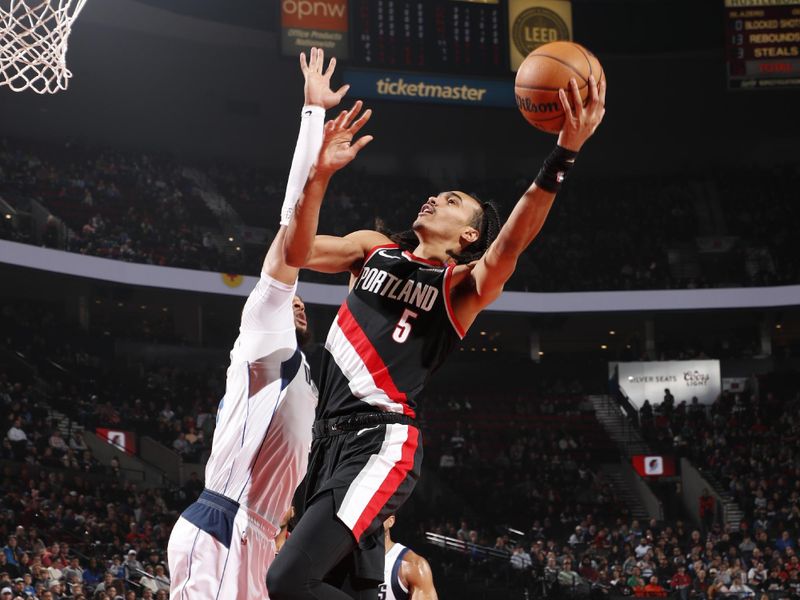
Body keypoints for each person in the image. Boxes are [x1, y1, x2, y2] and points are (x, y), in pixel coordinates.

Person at [268, 53, 606, 599]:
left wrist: (564, 151)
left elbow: (513, 240)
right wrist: (320, 174)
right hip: (324, 444)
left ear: (468, 237)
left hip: (380, 440)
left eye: (452, 201)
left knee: (287, 581)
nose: (434, 198)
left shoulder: (462, 286)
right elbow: (295, 249)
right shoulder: (370, 251)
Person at [166, 46, 347, 600]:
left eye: (301, 306)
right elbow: (291, 227)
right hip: (225, 524)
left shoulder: (314, 384)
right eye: (287, 297)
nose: (293, 302)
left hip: (263, 541)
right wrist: (312, 120)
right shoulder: (264, 337)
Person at [378, 516, 437, 600]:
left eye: (379, 513)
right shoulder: (353, 560)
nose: (373, 518)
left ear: (391, 521)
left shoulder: (413, 565)